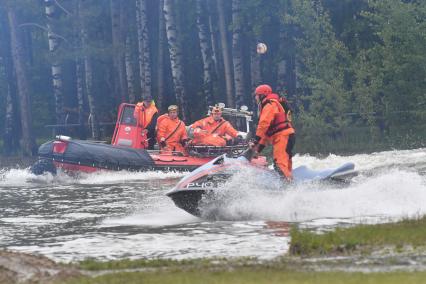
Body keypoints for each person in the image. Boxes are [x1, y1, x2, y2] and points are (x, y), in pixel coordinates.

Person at [251, 84, 295, 181]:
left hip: (283, 136)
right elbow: (266, 134)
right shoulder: (272, 104)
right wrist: (257, 150)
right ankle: (289, 183)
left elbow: (264, 124)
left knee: (279, 164)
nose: (255, 98)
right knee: (284, 164)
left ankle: (288, 187)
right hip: (285, 135)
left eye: (256, 95)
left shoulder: (269, 104)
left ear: (262, 95)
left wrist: (255, 140)